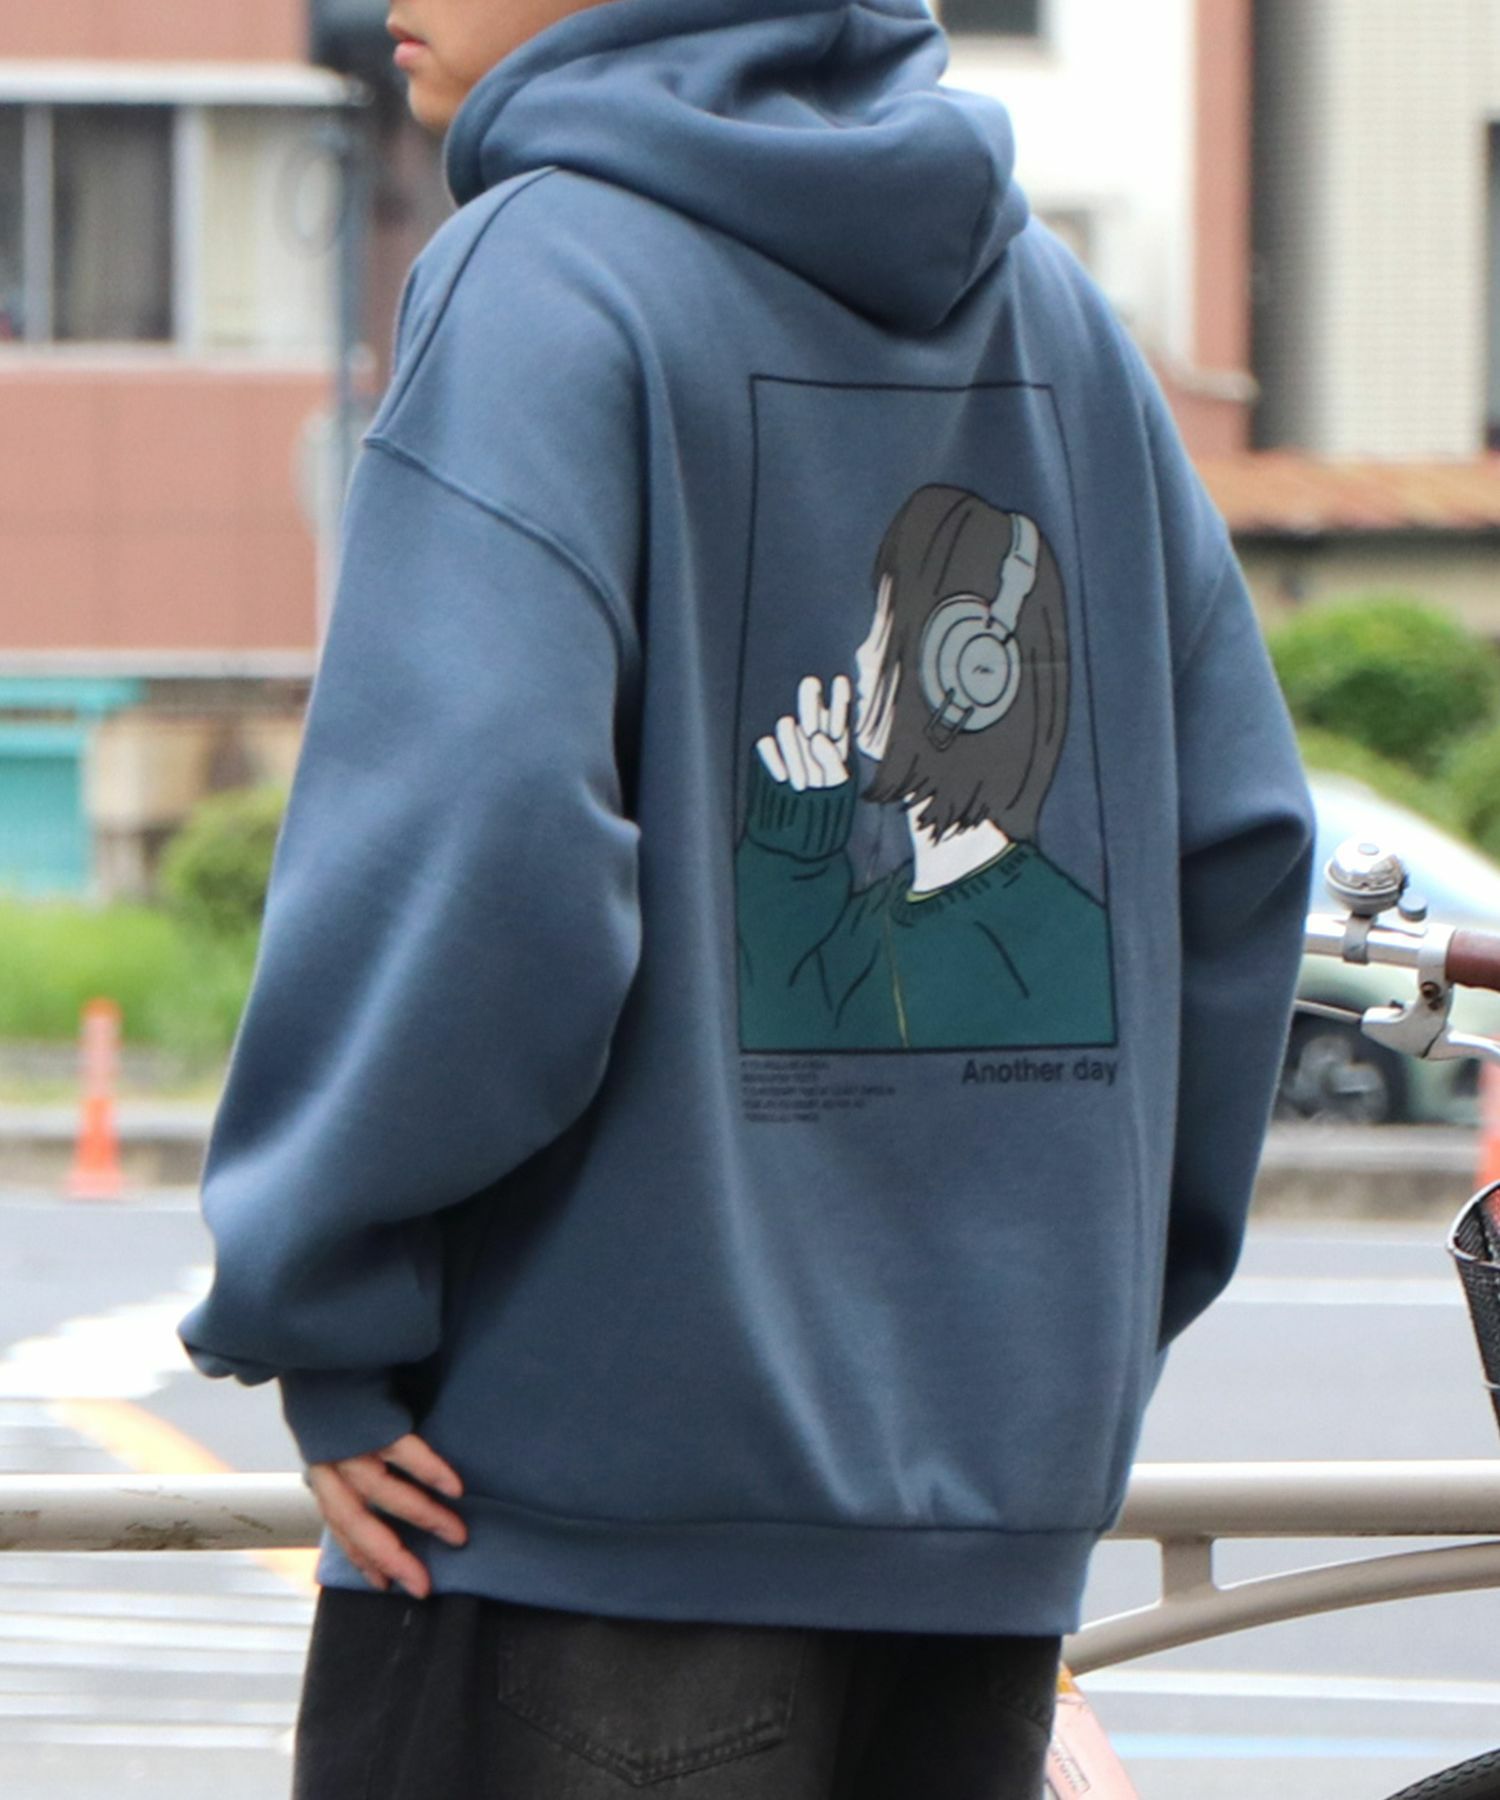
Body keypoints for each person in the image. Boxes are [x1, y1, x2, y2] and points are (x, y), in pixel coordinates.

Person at [176, 0, 1315, 1792]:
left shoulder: (547, 276)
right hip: (983, 1543)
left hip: (573, 1522)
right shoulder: (1063, 323)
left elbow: (485, 837)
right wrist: (1056, 1329)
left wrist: (324, 1309)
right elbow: (1237, 850)